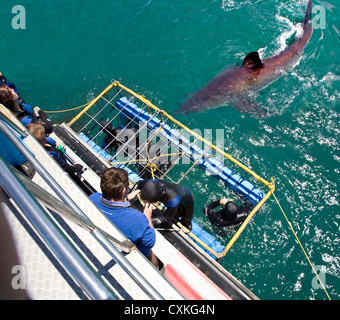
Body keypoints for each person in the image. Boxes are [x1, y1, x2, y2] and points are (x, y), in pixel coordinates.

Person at [89, 167, 159, 268]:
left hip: (103, 244)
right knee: (152, 259)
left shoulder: (93, 198)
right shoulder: (138, 219)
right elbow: (150, 242)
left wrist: (125, 198)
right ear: (124, 190)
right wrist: (147, 216)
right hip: (131, 258)